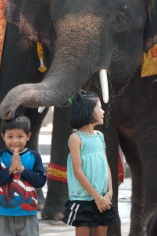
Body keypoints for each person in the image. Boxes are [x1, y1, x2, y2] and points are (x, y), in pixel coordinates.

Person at [62, 90, 117, 236]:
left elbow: (106, 165)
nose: (103, 111)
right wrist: (97, 198)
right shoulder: (76, 138)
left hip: (103, 197)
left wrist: (109, 193)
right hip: (83, 199)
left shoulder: (100, 136)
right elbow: (78, 172)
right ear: (88, 112)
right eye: (99, 107)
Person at [0, 114, 46, 236]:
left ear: (28, 136)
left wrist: (22, 170)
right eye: (10, 136)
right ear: (3, 137)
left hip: (28, 213)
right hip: (3, 213)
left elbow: (40, 181)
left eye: (20, 136)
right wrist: (9, 170)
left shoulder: (34, 157)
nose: (15, 141)